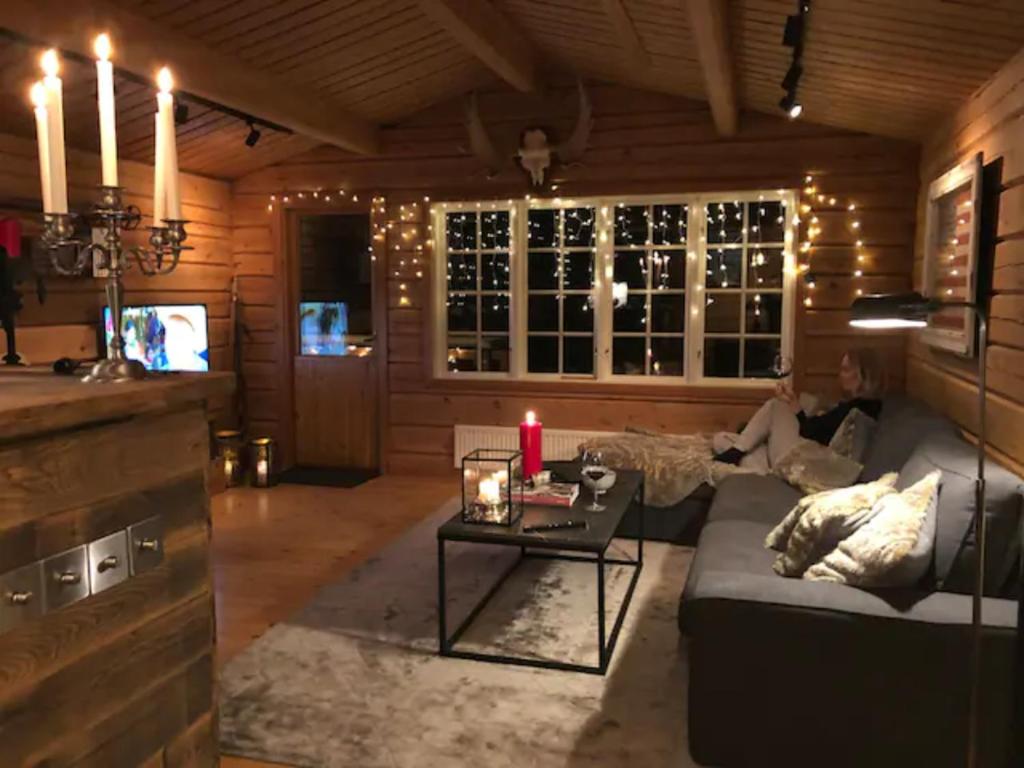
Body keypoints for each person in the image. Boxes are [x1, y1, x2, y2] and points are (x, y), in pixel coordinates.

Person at [713, 348, 885, 470]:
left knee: (777, 405)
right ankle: (754, 466)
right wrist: (797, 404)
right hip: (807, 450)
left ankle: (739, 451)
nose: (840, 374)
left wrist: (795, 406)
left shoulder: (860, 409)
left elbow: (810, 431)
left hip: (810, 462)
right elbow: (819, 428)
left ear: (863, 374)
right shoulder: (857, 405)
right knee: (721, 439)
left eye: (846, 369)